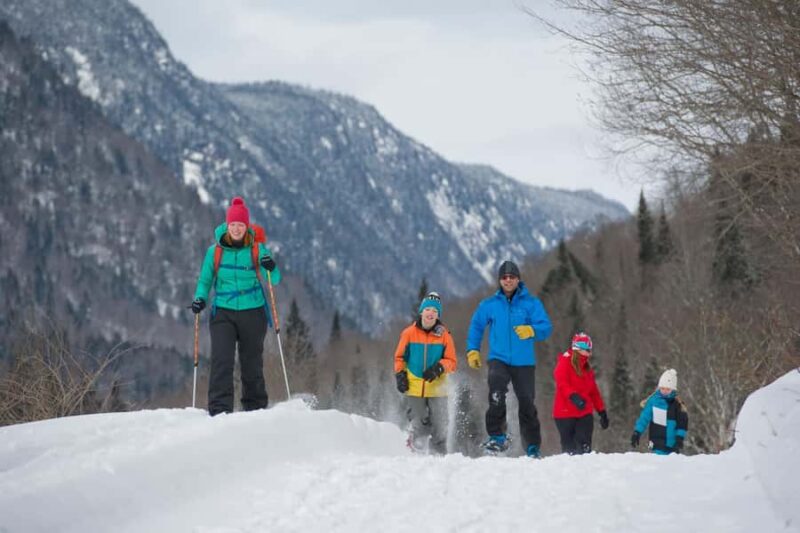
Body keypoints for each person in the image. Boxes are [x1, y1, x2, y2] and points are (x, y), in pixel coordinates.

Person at [191, 196, 281, 416]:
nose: (237, 229)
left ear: (247, 226)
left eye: (241, 225)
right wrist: (200, 298)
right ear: (227, 225)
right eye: (233, 225)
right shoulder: (215, 252)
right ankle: (219, 410)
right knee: (222, 360)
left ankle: (255, 408)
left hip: (253, 312)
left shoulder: (258, 249)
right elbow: (205, 280)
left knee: (252, 363)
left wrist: (271, 266)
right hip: (223, 312)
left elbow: (274, 279)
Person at [466, 260, 553, 457]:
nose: (508, 280)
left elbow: (546, 327)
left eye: (511, 277)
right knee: (496, 393)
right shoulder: (489, 305)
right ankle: (497, 437)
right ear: (499, 280)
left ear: (518, 279)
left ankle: (532, 446)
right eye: (504, 277)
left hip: (524, 362)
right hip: (499, 359)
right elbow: (476, 326)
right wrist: (473, 350)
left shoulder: (531, 303)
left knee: (527, 403)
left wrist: (532, 330)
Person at [393, 292, 457, 454]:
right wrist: (400, 375)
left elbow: (452, 362)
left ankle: (438, 454)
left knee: (441, 423)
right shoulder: (408, 333)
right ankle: (415, 448)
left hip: (438, 387)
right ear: (421, 312)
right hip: (414, 386)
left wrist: (439, 368)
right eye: (428, 309)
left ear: (438, 315)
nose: (431, 313)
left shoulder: (444, 336)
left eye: (435, 311)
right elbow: (399, 357)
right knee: (418, 422)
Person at [552, 332, 609, 454]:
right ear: (580, 349)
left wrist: (601, 411)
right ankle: (570, 471)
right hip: (565, 413)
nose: (590, 353)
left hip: (584, 412)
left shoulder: (586, 368)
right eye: (588, 350)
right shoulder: (565, 362)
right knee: (569, 450)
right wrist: (574, 397)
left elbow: (593, 391)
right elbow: (562, 383)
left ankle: (585, 468)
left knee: (584, 447)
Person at [631, 368, 689, 455]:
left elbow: (682, 423)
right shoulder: (653, 401)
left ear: (673, 390)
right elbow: (644, 418)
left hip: (672, 444)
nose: (665, 391)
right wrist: (637, 432)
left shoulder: (677, 404)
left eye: (668, 389)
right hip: (656, 443)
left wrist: (680, 437)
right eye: (662, 388)